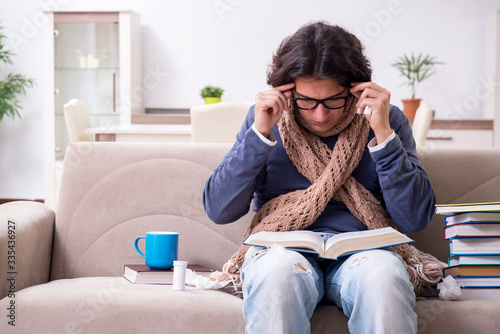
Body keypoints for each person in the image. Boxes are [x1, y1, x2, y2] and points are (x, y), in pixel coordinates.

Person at [203, 21, 440, 334]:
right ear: (286, 92)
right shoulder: (266, 119)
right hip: (282, 252)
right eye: (306, 101)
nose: (319, 115)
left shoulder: (386, 119)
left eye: (332, 100)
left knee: (383, 276)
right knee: (276, 273)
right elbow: (220, 209)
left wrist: (383, 134)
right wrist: (259, 134)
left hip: (365, 253)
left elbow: (414, 218)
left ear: (355, 90)